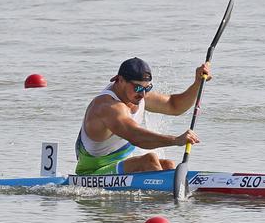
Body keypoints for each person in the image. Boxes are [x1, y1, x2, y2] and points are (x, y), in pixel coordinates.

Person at [75, 57, 212, 175]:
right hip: (92, 173)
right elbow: (136, 137)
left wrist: (197, 83)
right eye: (138, 88)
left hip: (118, 167)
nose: (143, 94)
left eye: (148, 88)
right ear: (120, 80)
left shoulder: (137, 95)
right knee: (150, 160)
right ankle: (167, 201)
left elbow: (174, 105)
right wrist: (176, 140)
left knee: (168, 165)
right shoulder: (108, 107)